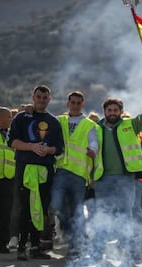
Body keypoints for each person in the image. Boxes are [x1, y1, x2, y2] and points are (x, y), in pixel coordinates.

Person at [90, 91, 142, 263]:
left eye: (116, 110)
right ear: (104, 111)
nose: (112, 112)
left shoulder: (131, 125)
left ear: (121, 111)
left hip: (125, 179)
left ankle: (127, 253)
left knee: (126, 215)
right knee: (102, 215)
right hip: (103, 179)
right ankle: (98, 254)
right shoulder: (96, 128)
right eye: (109, 110)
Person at [8, 85, 64, 260]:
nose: (41, 100)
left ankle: (36, 247)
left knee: (42, 208)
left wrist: (48, 151)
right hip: (25, 168)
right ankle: (22, 247)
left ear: (49, 99)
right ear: (33, 96)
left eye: (44, 97)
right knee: (25, 208)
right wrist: (31, 147)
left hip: (46, 170)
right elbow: (13, 142)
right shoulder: (21, 118)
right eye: (39, 96)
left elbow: (59, 148)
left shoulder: (54, 122)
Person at [51, 91, 98, 256]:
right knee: (58, 207)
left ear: (82, 104)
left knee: (76, 210)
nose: (76, 105)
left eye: (79, 102)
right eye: (73, 102)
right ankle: (68, 236)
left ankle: (74, 244)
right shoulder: (59, 120)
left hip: (78, 174)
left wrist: (93, 150)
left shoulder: (88, 124)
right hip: (61, 171)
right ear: (68, 103)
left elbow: (93, 141)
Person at [0, 107, 15, 253]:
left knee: (5, 212)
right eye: (8, 117)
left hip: (7, 178)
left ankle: (2, 243)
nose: (10, 120)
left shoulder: (11, 134)